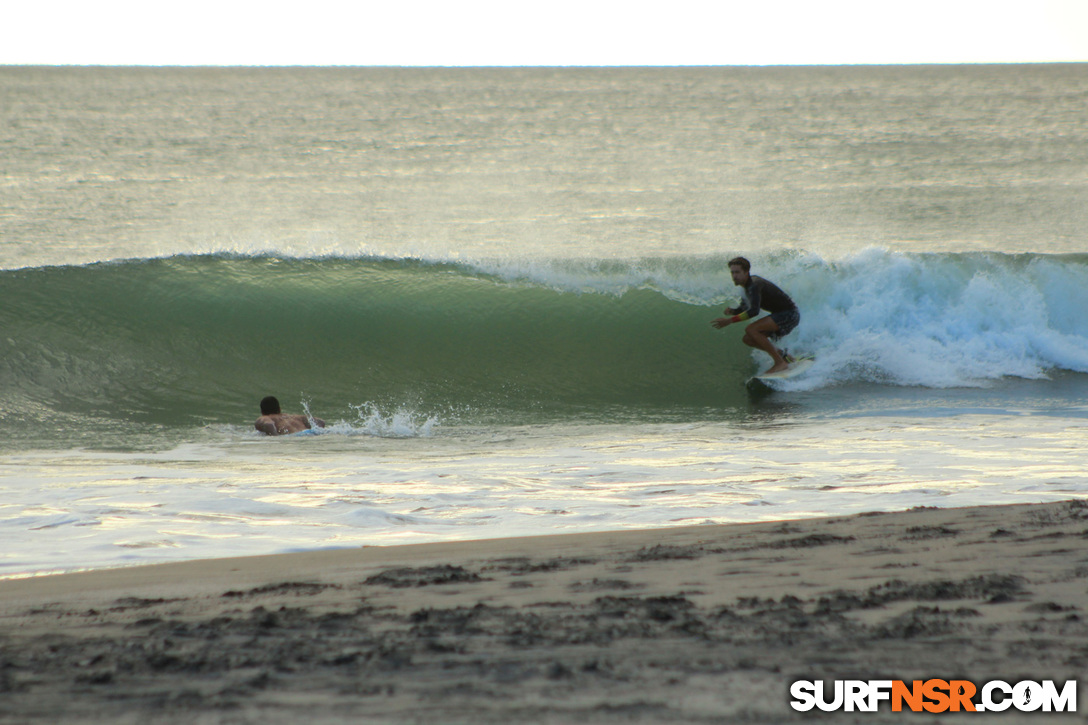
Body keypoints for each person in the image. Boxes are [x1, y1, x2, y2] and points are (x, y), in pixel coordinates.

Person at [711, 257, 801, 375]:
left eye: (737, 272)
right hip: (781, 315)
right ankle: (784, 356)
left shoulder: (754, 285)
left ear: (746, 272)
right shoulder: (745, 288)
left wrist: (729, 321)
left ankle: (780, 363)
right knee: (748, 339)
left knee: (751, 329)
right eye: (732, 272)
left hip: (789, 314)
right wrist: (732, 311)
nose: (734, 276)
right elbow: (744, 308)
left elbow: (754, 311)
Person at [254, 396, 327, 436]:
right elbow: (320, 422)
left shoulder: (265, 418)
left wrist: (275, 436)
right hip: (309, 432)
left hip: (293, 436)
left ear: (262, 411)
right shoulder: (294, 417)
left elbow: (268, 424)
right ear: (279, 409)